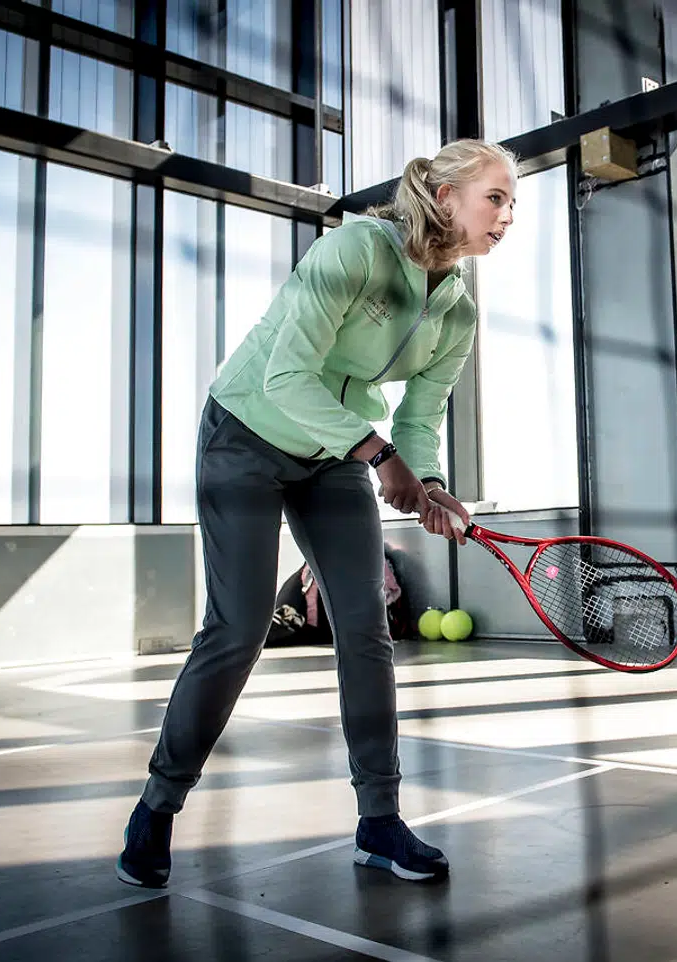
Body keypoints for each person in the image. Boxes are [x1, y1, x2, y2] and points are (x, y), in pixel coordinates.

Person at [116, 138, 518, 887]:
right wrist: (379, 456)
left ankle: (379, 821)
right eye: (495, 197)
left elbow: (420, 418)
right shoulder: (354, 251)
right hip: (247, 431)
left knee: (365, 628)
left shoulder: (457, 310)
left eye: (511, 203)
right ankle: (158, 806)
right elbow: (286, 376)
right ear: (446, 196)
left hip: (332, 454)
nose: (507, 215)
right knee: (237, 629)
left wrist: (429, 481)